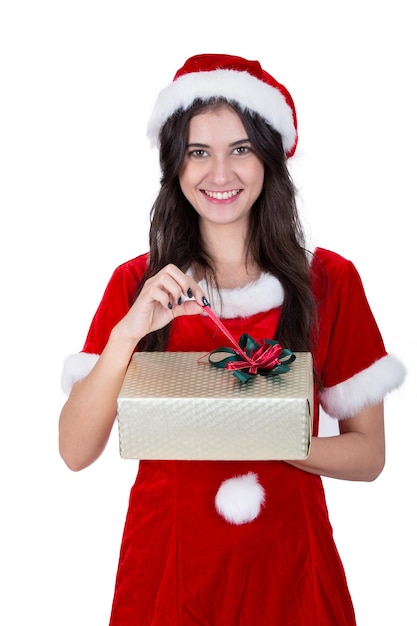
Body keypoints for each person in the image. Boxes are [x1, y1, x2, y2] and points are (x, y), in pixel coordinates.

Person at [59, 53, 406, 625]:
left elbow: (369, 455)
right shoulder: (136, 286)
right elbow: (75, 451)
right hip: (168, 577)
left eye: (240, 149)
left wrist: (263, 435)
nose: (220, 174)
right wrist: (127, 333)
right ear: (176, 165)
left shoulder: (329, 283)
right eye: (199, 152)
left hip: (290, 572)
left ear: (269, 157)